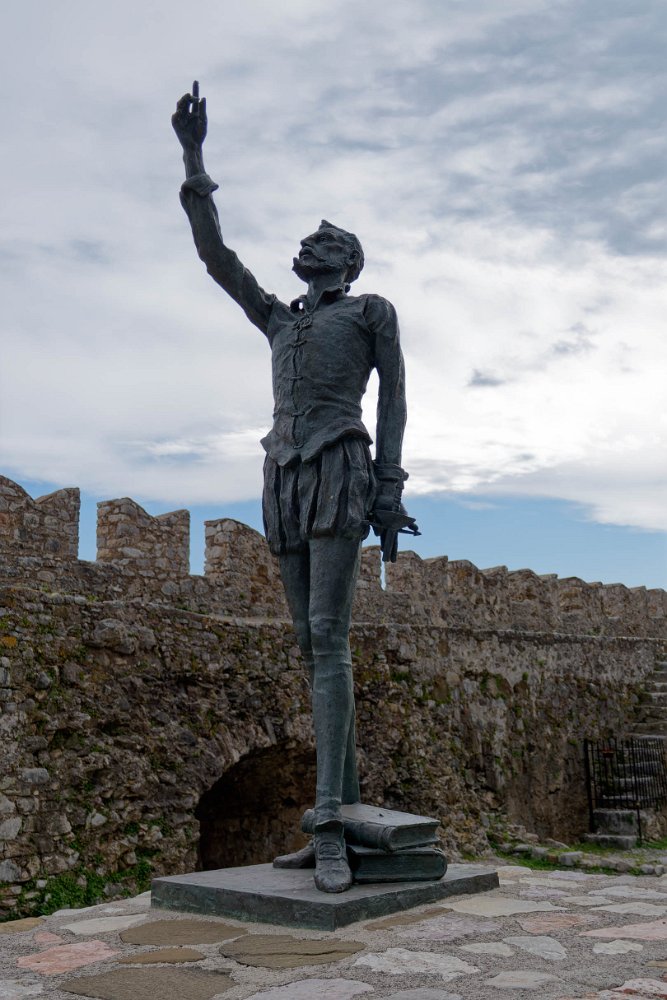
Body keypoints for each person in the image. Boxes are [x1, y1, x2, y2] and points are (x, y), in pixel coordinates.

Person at [172, 87, 416, 893]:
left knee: (328, 637)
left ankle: (333, 823)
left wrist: (388, 487)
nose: (307, 244)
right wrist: (193, 157)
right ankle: (337, 814)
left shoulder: (371, 312)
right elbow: (218, 259)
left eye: (324, 239)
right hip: (283, 473)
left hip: (339, 465)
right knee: (310, 648)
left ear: (347, 260)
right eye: (306, 239)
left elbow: (393, 398)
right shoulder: (280, 321)